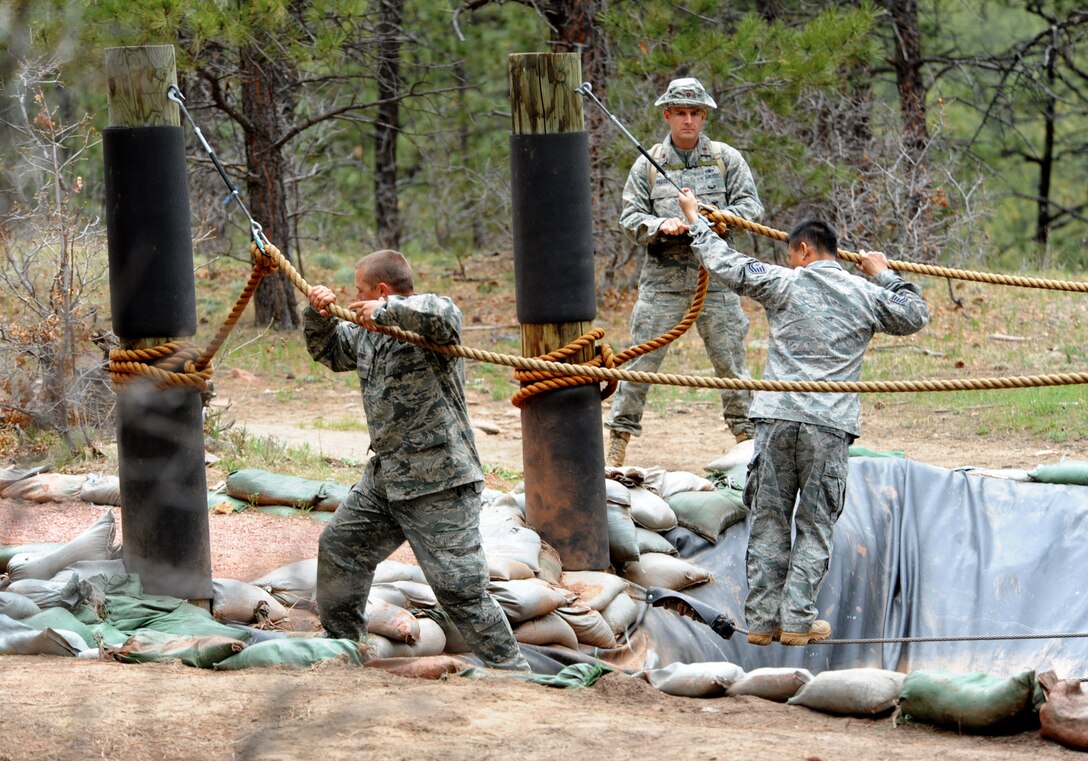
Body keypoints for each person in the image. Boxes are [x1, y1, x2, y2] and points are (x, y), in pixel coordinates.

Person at [677, 189, 931, 646]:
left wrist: (695, 219)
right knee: (815, 524)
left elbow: (726, 262)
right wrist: (884, 274)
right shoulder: (864, 293)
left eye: (792, 254)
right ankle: (797, 621)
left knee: (770, 519)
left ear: (804, 250)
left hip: (776, 420)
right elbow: (915, 314)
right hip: (828, 426)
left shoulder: (783, 281)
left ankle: (760, 620)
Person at [304, 249, 529, 671]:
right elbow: (333, 352)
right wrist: (318, 312)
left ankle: (513, 673)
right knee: (340, 549)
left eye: (360, 291)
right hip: (387, 479)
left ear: (382, 290)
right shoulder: (370, 331)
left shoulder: (429, 325)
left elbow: (446, 316)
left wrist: (389, 310)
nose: (355, 297)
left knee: (460, 589)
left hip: (439, 482)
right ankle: (344, 646)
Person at [606, 77, 765, 467]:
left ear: (704, 116)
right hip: (663, 285)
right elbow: (629, 217)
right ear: (668, 115)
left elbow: (751, 209)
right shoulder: (648, 165)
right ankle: (619, 440)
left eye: (696, 113)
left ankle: (747, 441)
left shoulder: (727, 159)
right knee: (641, 364)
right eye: (681, 113)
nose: (689, 121)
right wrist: (662, 226)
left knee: (731, 365)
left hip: (718, 281)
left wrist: (719, 221)